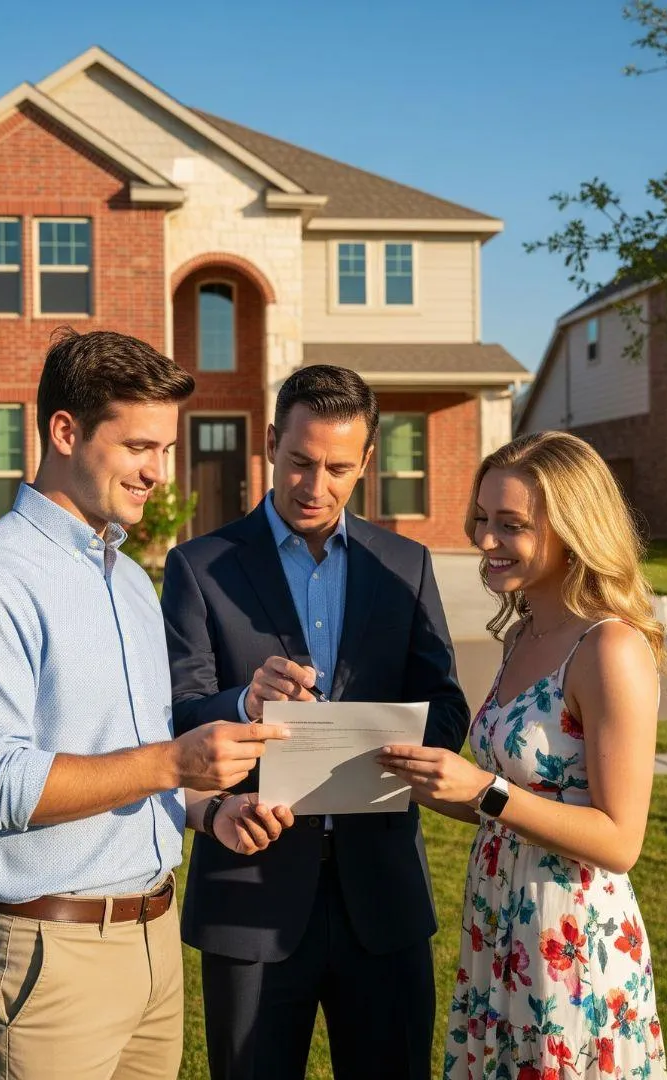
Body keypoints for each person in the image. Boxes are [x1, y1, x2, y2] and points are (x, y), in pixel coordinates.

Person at [0, 329, 290, 1080]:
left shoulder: (128, 579)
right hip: (47, 957)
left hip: (154, 943)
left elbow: (121, 753)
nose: (158, 472)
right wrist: (174, 762)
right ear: (65, 431)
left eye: (166, 450)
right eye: (139, 447)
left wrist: (206, 809)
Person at [160, 363, 471, 1080]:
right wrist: (244, 704)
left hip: (383, 894)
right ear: (271, 442)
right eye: (300, 461)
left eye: (337, 468)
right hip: (250, 888)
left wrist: (393, 748)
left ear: (366, 461)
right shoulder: (198, 567)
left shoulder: (406, 565)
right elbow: (176, 714)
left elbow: (447, 703)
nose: (315, 485)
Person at [379, 431, 667, 1080]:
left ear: (572, 531)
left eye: (511, 525)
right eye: (482, 519)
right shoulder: (523, 634)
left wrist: (483, 789)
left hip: (570, 940)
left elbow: (620, 841)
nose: (485, 540)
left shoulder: (609, 648)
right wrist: (409, 776)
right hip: (498, 922)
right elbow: (501, 803)